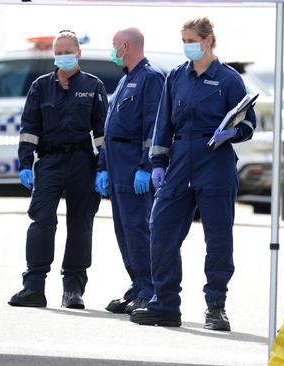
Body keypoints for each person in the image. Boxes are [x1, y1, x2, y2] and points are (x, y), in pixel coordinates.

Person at [129, 17, 256, 331]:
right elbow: (163, 124)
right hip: (180, 159)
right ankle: (165, 304)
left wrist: (232, 133)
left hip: (215, 161)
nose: (186, 45)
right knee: (160, 230)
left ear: (208, 39)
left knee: (217, 238)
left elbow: (248, 123)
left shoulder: (228, 79)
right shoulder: (177, 77)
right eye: (183, 40)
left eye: (191, 39)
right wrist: (157, 163)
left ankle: (216, 307)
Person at [8, 30, 107, 309]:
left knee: (80, 225)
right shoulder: (40, 86)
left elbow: (102, 132)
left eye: (68, 51)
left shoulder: (93, 85)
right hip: (49, 162)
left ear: (78, 53)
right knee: (41, 221)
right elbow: (29, 128)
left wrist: (103, 168)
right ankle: (33, 287)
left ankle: (73, 290)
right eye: (58, 52)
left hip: (81, 162)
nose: (63, 56)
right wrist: (25, 163)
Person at [95, 28, 165, 315]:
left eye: (114, 45)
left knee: (139, 231)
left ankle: (149, 291)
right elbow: (110, 130)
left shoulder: (151, 78)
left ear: (125, 45)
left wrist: (146, 168)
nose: (112, 51)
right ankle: (137, 286)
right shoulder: (126, 78)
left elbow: (153, 127)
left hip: (135, 170)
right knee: (125, 232)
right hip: (118, 167)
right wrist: (103, 167)